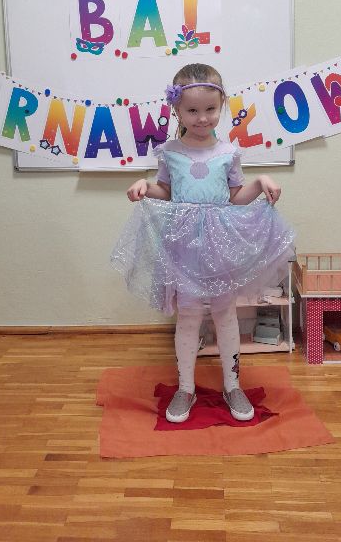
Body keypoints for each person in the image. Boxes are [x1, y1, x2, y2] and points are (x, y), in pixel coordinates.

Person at [111, 63, 295, 424]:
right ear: (177, 110)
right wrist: (145, 186)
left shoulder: (228, 152)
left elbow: (235, 197)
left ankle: (232, 385)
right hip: (183, 248)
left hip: (219, 246)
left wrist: (261, 182)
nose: (202, 118)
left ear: (221, 106)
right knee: (189, 316)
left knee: (225, 314)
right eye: (192, 110)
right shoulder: (170, 152)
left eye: (210, 109)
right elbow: (167, 191)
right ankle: (185, 388)